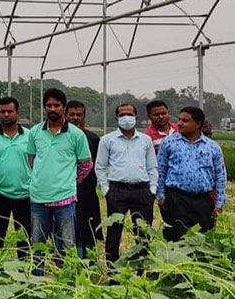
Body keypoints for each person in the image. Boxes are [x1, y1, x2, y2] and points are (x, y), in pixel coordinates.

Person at [26, 88, 93, 272]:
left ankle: (68, 281)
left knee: (66, 245)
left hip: (65, 199)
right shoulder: (35, 132)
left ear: (63, 107)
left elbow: (86, 164)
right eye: (49, 105)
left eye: (57, 105)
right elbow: (31, 159)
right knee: (37, 245)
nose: (53, 108)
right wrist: (41, 178)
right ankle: (35, 282)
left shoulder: (76, 134)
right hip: (39, 198)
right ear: (44, 108)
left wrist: (70, 181)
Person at [95, 102, 158, 262]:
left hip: (142, 191)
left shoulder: (145, 140)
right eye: (122, 115)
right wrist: (106, 191)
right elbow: (100, 168)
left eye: (129, 114)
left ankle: (141, 270)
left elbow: (152, 167)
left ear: (136, 117)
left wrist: (152, 189)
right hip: (117, 191)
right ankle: (113, 273)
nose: (126, 118)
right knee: (114, 233)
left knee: (143, 234)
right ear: (116, 118)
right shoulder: (107, 140)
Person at [157, 106, 226, 241]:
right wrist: (160, 195)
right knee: (177, 237)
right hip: (176, 198)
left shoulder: (212, 147)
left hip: (203, 201)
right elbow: (160, 169)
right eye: (179, 120)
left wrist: (220, 202)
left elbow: (220, 175)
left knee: (203, 238)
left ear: (198, 124)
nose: (179, 123)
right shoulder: (169, 143)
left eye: (185, 121)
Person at [0, 97, 31, 255]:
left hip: (25, 194)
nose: (6, 114)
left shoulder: (30, 136)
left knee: (25, 238)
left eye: (10, 111)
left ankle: (25, 272)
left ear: (17, 113)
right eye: (2, 112)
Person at [65, 100, 102, 257]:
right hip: (65, 191)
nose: (75, 118)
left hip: (87, 192)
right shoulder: (61, 138)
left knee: (88, 227)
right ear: (65, 116)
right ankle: (72, 261)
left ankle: (90, 261)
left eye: (79, 115)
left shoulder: (93, 139)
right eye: (72, 114)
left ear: (84, 116)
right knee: (69, 228)